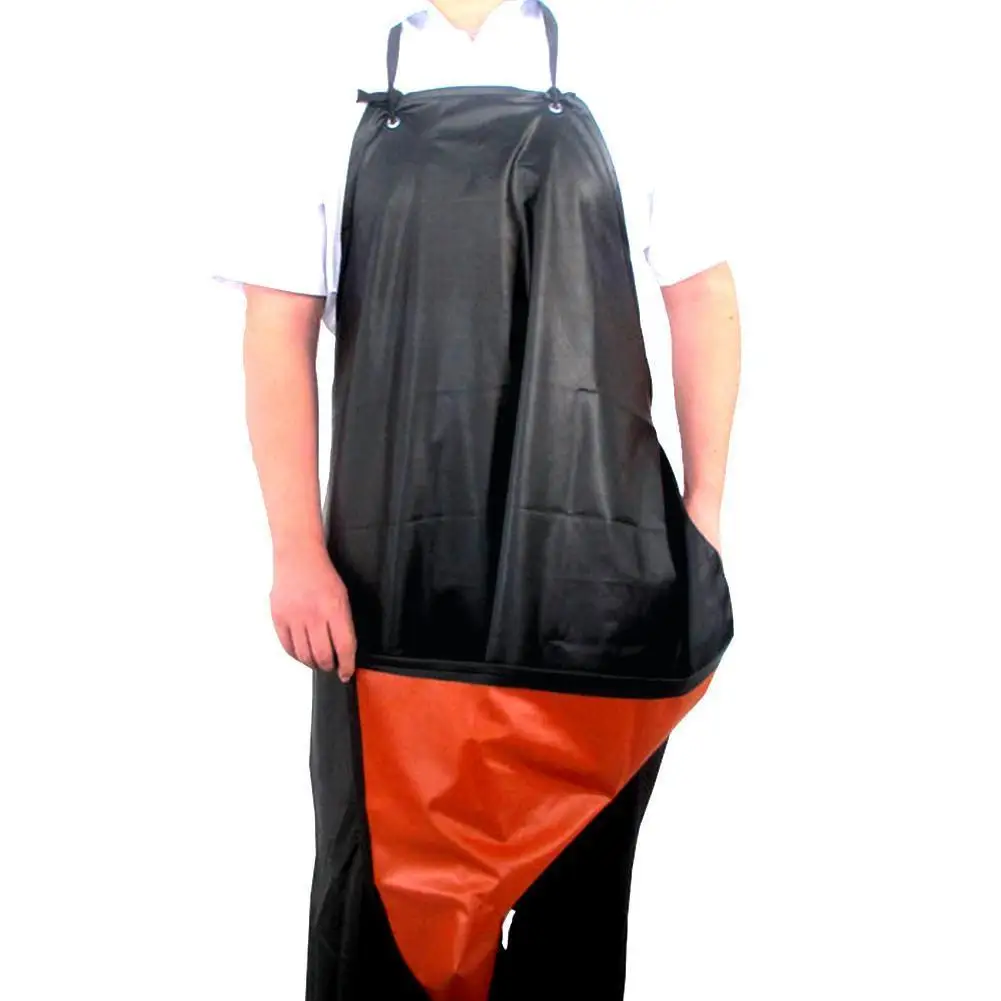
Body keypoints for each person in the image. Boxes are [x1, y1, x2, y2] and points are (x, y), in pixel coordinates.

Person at [215, 2, 741, 998]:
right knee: (379, 913)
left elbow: (702, 295)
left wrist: (703, 513)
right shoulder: (313, 68)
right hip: (392, 583)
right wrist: (295, 550)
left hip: (598, 576)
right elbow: (275, 332)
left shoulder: (632, 59)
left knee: (574, 919)